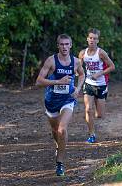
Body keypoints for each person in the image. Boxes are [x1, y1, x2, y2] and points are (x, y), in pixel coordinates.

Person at [36, 34, 85, 176]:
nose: (64, 47)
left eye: (67, 44)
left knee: (62, 130)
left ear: (71, 45)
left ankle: (60, 163)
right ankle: (59, 146)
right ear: (58, 46)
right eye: (62, 44)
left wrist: (77, 88)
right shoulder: (51, 61)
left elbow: (81, 75)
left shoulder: (76, 62)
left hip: (67, 100)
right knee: (55, 130)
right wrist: (58, 82)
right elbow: (39, 81)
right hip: (51, 101)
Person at [78, 28, 115, 143]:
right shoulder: (82, 53)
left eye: (95, 38)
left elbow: (112, 66)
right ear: (87, 39)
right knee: (88, 110)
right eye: (90, 38)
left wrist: (100, 73)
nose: (92, 40)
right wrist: (76, 73)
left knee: (99, 115)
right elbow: (79, 68)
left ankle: (97, 107)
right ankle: (92, 134)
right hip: (88, 84)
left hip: (101, 85)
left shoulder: (101, 53)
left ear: (98, 40)